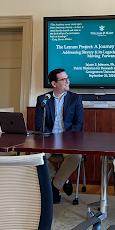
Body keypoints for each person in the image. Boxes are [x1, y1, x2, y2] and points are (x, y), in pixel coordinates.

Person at [35, 68, 84, 204]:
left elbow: (78, 125)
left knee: (75, 157)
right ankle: (63, 180)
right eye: (63, 79)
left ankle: (54, 187)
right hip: (49, 141)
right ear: (54, 84)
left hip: (68, 141)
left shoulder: (75, 98)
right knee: (37, 158)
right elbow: (39, 126)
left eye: (67, 78)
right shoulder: (43, 100)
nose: (68, 81)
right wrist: (50, 137)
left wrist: (65, 138)